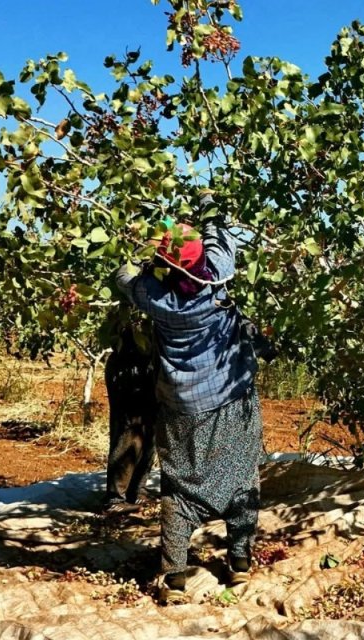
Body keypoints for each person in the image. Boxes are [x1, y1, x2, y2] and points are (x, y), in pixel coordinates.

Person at [114, 206, 261, 604]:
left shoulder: (155, 297)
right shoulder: (218, 276)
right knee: (242, 476)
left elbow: (122, 276)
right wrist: (209, 210)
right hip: (234, 395)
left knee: (180, 484)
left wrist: (151, 249)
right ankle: (239, 563)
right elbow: (219, 235)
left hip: (182, 404)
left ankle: (174, 579)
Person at [102, 321, 157, 514]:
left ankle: (136, 490)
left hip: (146, 363)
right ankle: (115, 498)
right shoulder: (131, 302)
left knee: (149, 432)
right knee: (129, 432)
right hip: (128, 367)